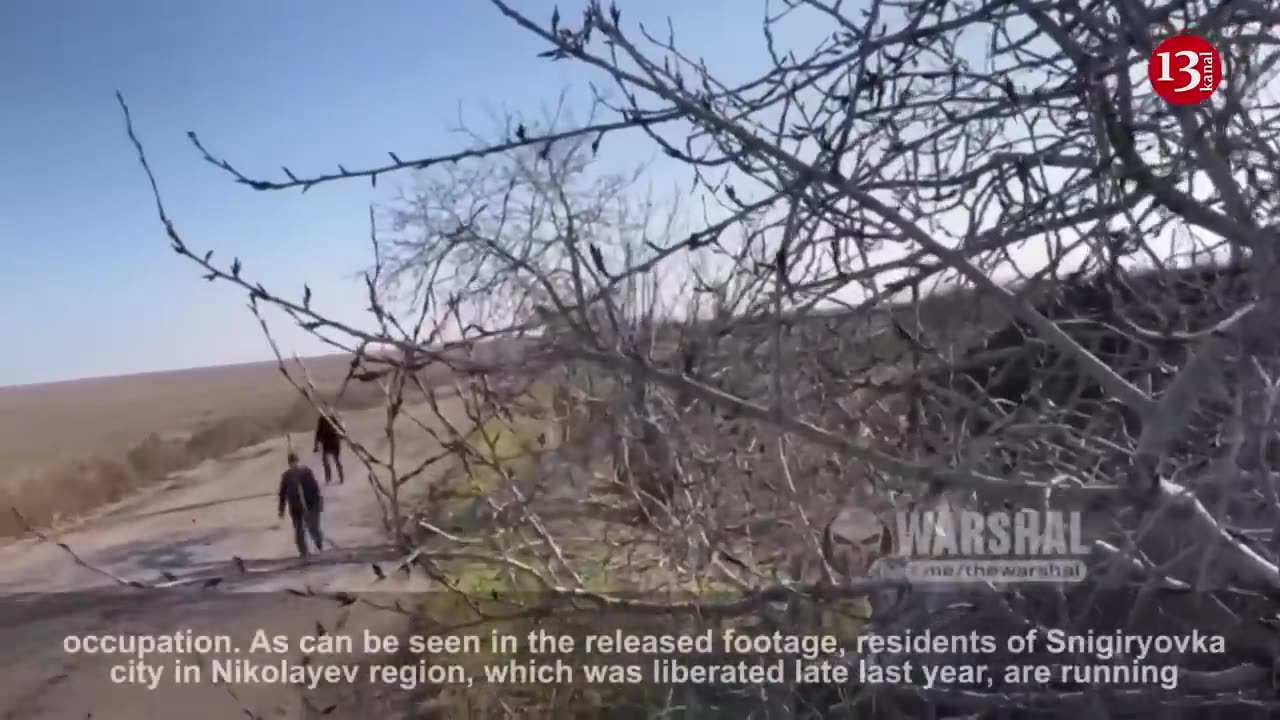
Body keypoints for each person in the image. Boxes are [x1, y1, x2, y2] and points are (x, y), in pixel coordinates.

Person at [277, 452, 324, 559]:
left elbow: (315, 488)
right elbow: (282, 493)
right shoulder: (287, 476)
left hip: (309, 504)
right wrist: (281, 509)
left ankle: (319, 546)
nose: (294, 464)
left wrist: (319, 502)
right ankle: (304, 552)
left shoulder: (305, 472)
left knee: (313, 528)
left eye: (294, 462)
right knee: (300, 530)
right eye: (292, 462)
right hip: (296, 507)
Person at [314, 414, 346, 485]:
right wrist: (316, 445)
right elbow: (318, 433)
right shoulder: (323, 419)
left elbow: (341, 429)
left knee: (333, 460)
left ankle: (337, 478)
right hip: (329, 443)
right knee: (329, 461)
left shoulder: (330, 418)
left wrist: (316, 445)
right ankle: (331, 478)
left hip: (332, 443)